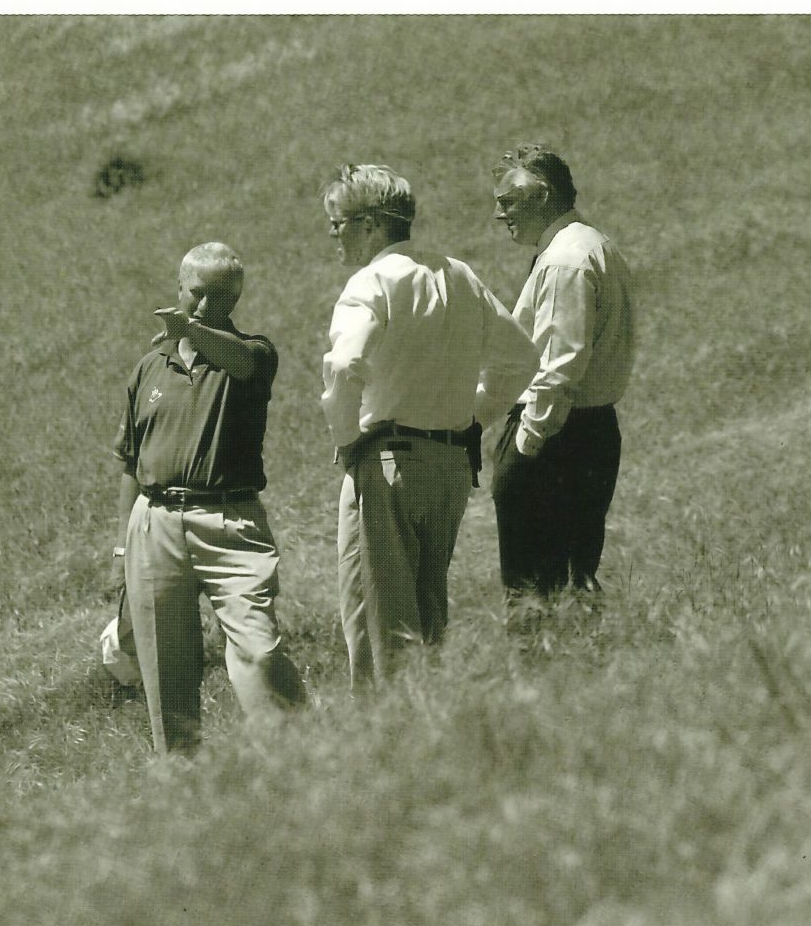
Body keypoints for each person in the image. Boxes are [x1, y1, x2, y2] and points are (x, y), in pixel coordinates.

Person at [321, 163, 539, 691]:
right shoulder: (457, 274)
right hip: (448, 466)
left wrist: (348, 441)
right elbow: (521, 360)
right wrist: (472, 418)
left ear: (370, 224)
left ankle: (388, 732)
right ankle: (432, 722)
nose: (333, 234)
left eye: (339, 222)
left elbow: (344, 366)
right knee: (428, 617)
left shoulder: (372, 282)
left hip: (388, 463)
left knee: (378, 623)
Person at [111, 242, 305, 754]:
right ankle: (183, 781)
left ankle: (297, 757)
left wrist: (192, 331)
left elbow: (240, 362)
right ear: (179, 287)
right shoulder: (149, 367)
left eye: (220, 298)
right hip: (154, 521)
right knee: (165, 673)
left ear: (235, 300)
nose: (204, 306)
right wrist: (122, 550)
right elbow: (131, 461)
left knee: (259, 651)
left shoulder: (253, 354)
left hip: (229, 520)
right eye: (196, 294)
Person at [490, 144, 636, 599]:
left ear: (543, 195)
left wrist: (526, 446)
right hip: (588, 432)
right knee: (573, 582)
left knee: (535, 592)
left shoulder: (564, 261)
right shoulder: (591, 244)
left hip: (556, 440)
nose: (499, 214)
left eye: (508, 201)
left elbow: (559, 367)